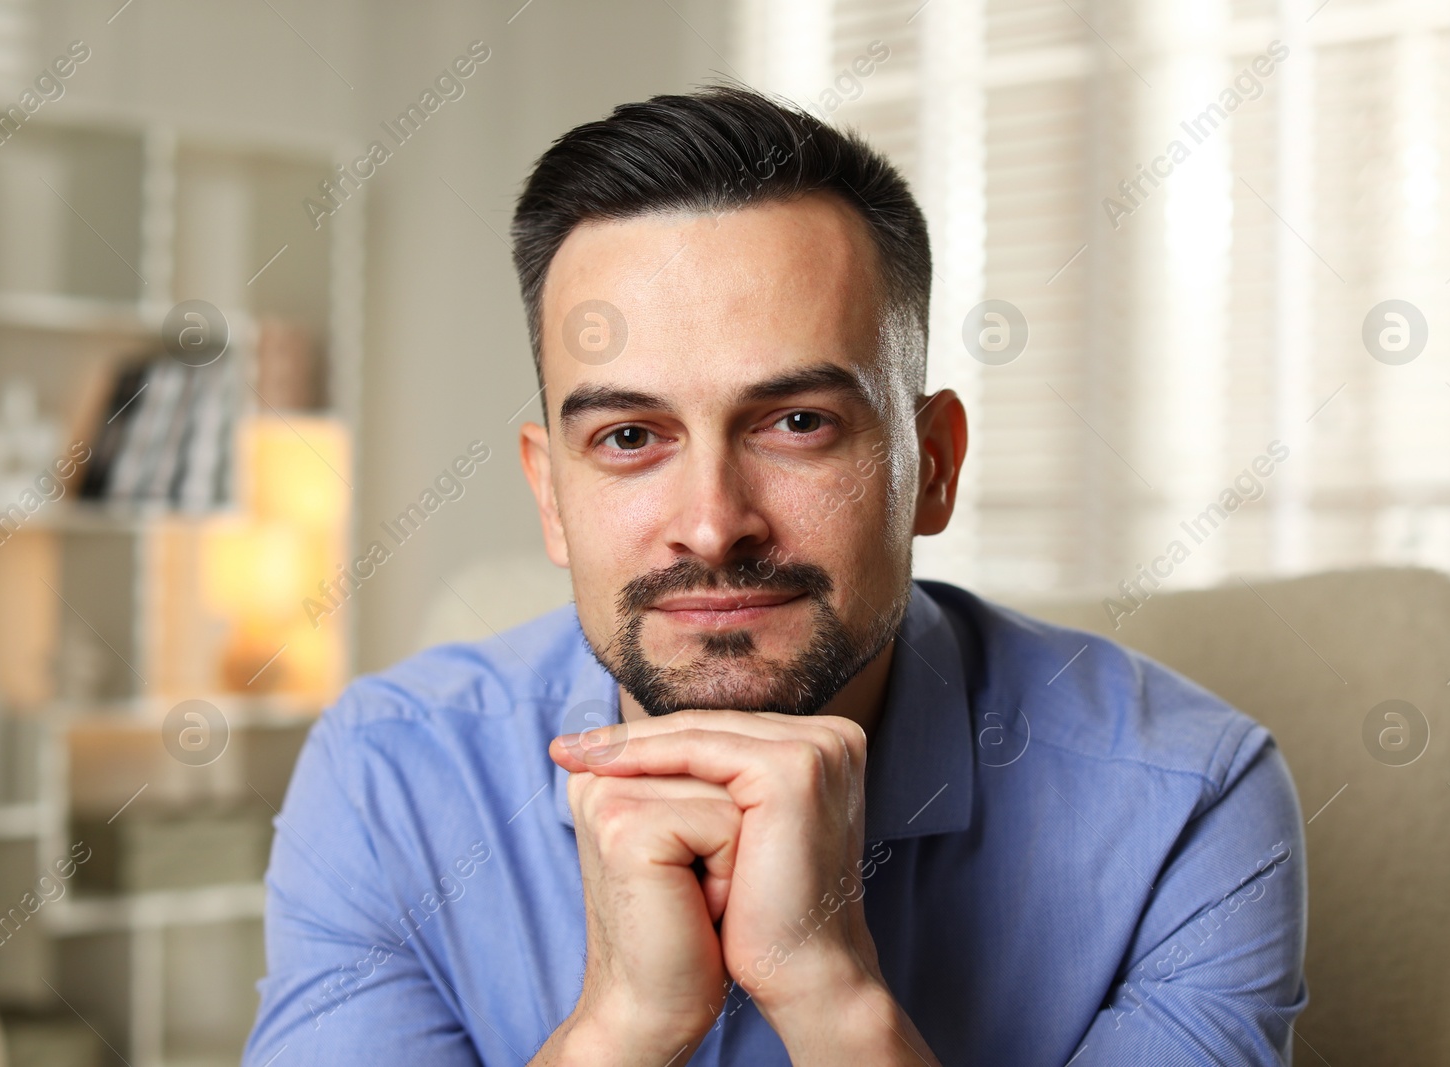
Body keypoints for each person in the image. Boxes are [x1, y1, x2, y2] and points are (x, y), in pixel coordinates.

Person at [244, 86, 1308, 1066]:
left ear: (930, 465)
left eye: (797, 423)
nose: (712, 524)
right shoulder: (387, 774)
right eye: (627, 435)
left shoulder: (1190, 801)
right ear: (548, 492)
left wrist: (833, 998)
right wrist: (623, 1029)